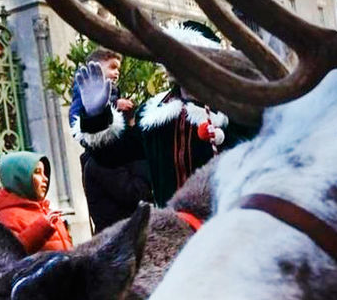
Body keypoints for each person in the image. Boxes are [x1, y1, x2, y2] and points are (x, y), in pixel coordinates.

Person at [75, 23, 256, 206]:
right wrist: (96, 116)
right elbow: (112, 155)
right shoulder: (154, 113)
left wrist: (224, 137)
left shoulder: (234, 108)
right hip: (173, 228)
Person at [68, 47, 152, 232]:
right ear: (96, 67)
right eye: (112, 67)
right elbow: (80, 125)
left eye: (118, 70)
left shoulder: (115, 92)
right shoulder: (84, 94)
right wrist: (109, 108)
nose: (116, 73)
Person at [0, 151, 72, 254]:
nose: (45, 179)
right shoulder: (6, 217)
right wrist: (41, 228)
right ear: (19, 177)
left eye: (45, 173)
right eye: (37, 172)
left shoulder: (46, 210)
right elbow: (10, 257)